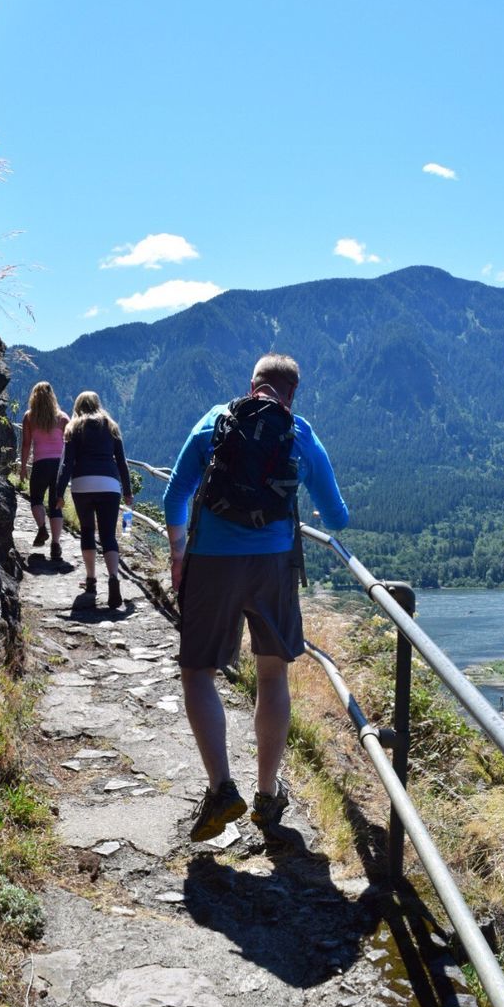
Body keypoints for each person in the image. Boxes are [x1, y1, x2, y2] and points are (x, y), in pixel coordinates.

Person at [163, 353, 349, 842]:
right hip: (274, 568)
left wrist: (178, 554)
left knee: (198, 672)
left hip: (211, 564)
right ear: (292, 392)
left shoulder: (213, 422)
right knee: (272, 675)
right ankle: (267, 795)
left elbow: (174, 495)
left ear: (251, 385)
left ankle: (222, 789)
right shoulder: (301, 434)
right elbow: (337, 518)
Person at [56, 391, 133, 609]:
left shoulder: (73, 427)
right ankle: (113, 578)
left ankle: (91, 581)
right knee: (109, 535)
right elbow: (122, 463)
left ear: (78, 406)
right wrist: (127, 491)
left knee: (88, 531)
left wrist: (59, 493)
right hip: (109, 484)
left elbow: (67, 464)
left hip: (82, 484)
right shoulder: (111, 426)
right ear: (98, 404)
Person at [19, 381, 70, 562]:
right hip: (59, 466)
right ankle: (56, 544)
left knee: (36, 500)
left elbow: (26, 444)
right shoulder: (63, 418)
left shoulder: (29, 417)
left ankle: (42, 528)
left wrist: (23, 466)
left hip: (40, 464)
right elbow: (71, 446)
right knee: (56, 504)